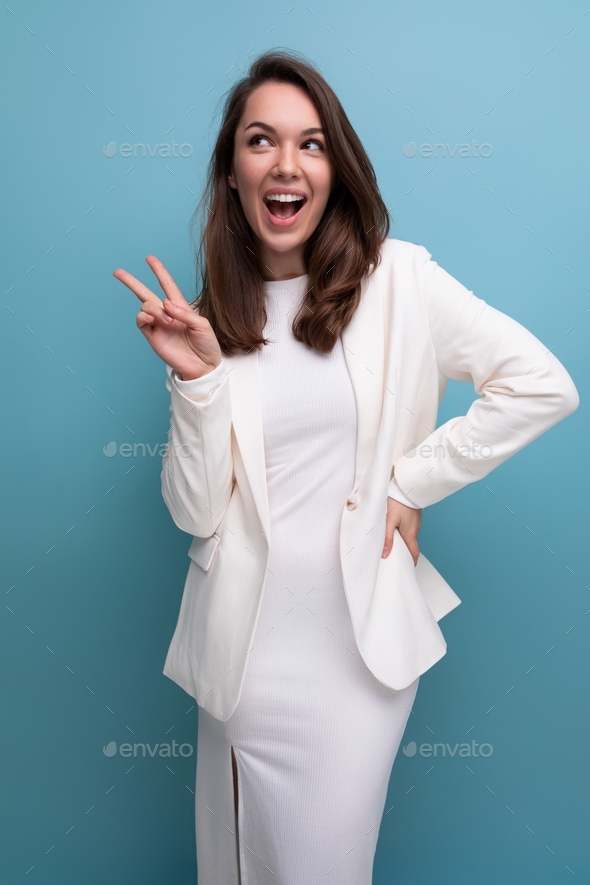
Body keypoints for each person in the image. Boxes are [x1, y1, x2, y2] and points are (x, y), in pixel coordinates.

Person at [113, 50, 579, 885]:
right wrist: (199, 384)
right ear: (231, 172)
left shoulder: (400, 281)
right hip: (239, 665)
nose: (286, 164)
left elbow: (544, 385)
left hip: (353, 666)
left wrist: (415, 477)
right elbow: (194, 513)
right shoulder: (212, 317)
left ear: (335, 170)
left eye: (311, 144)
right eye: (260, 141)